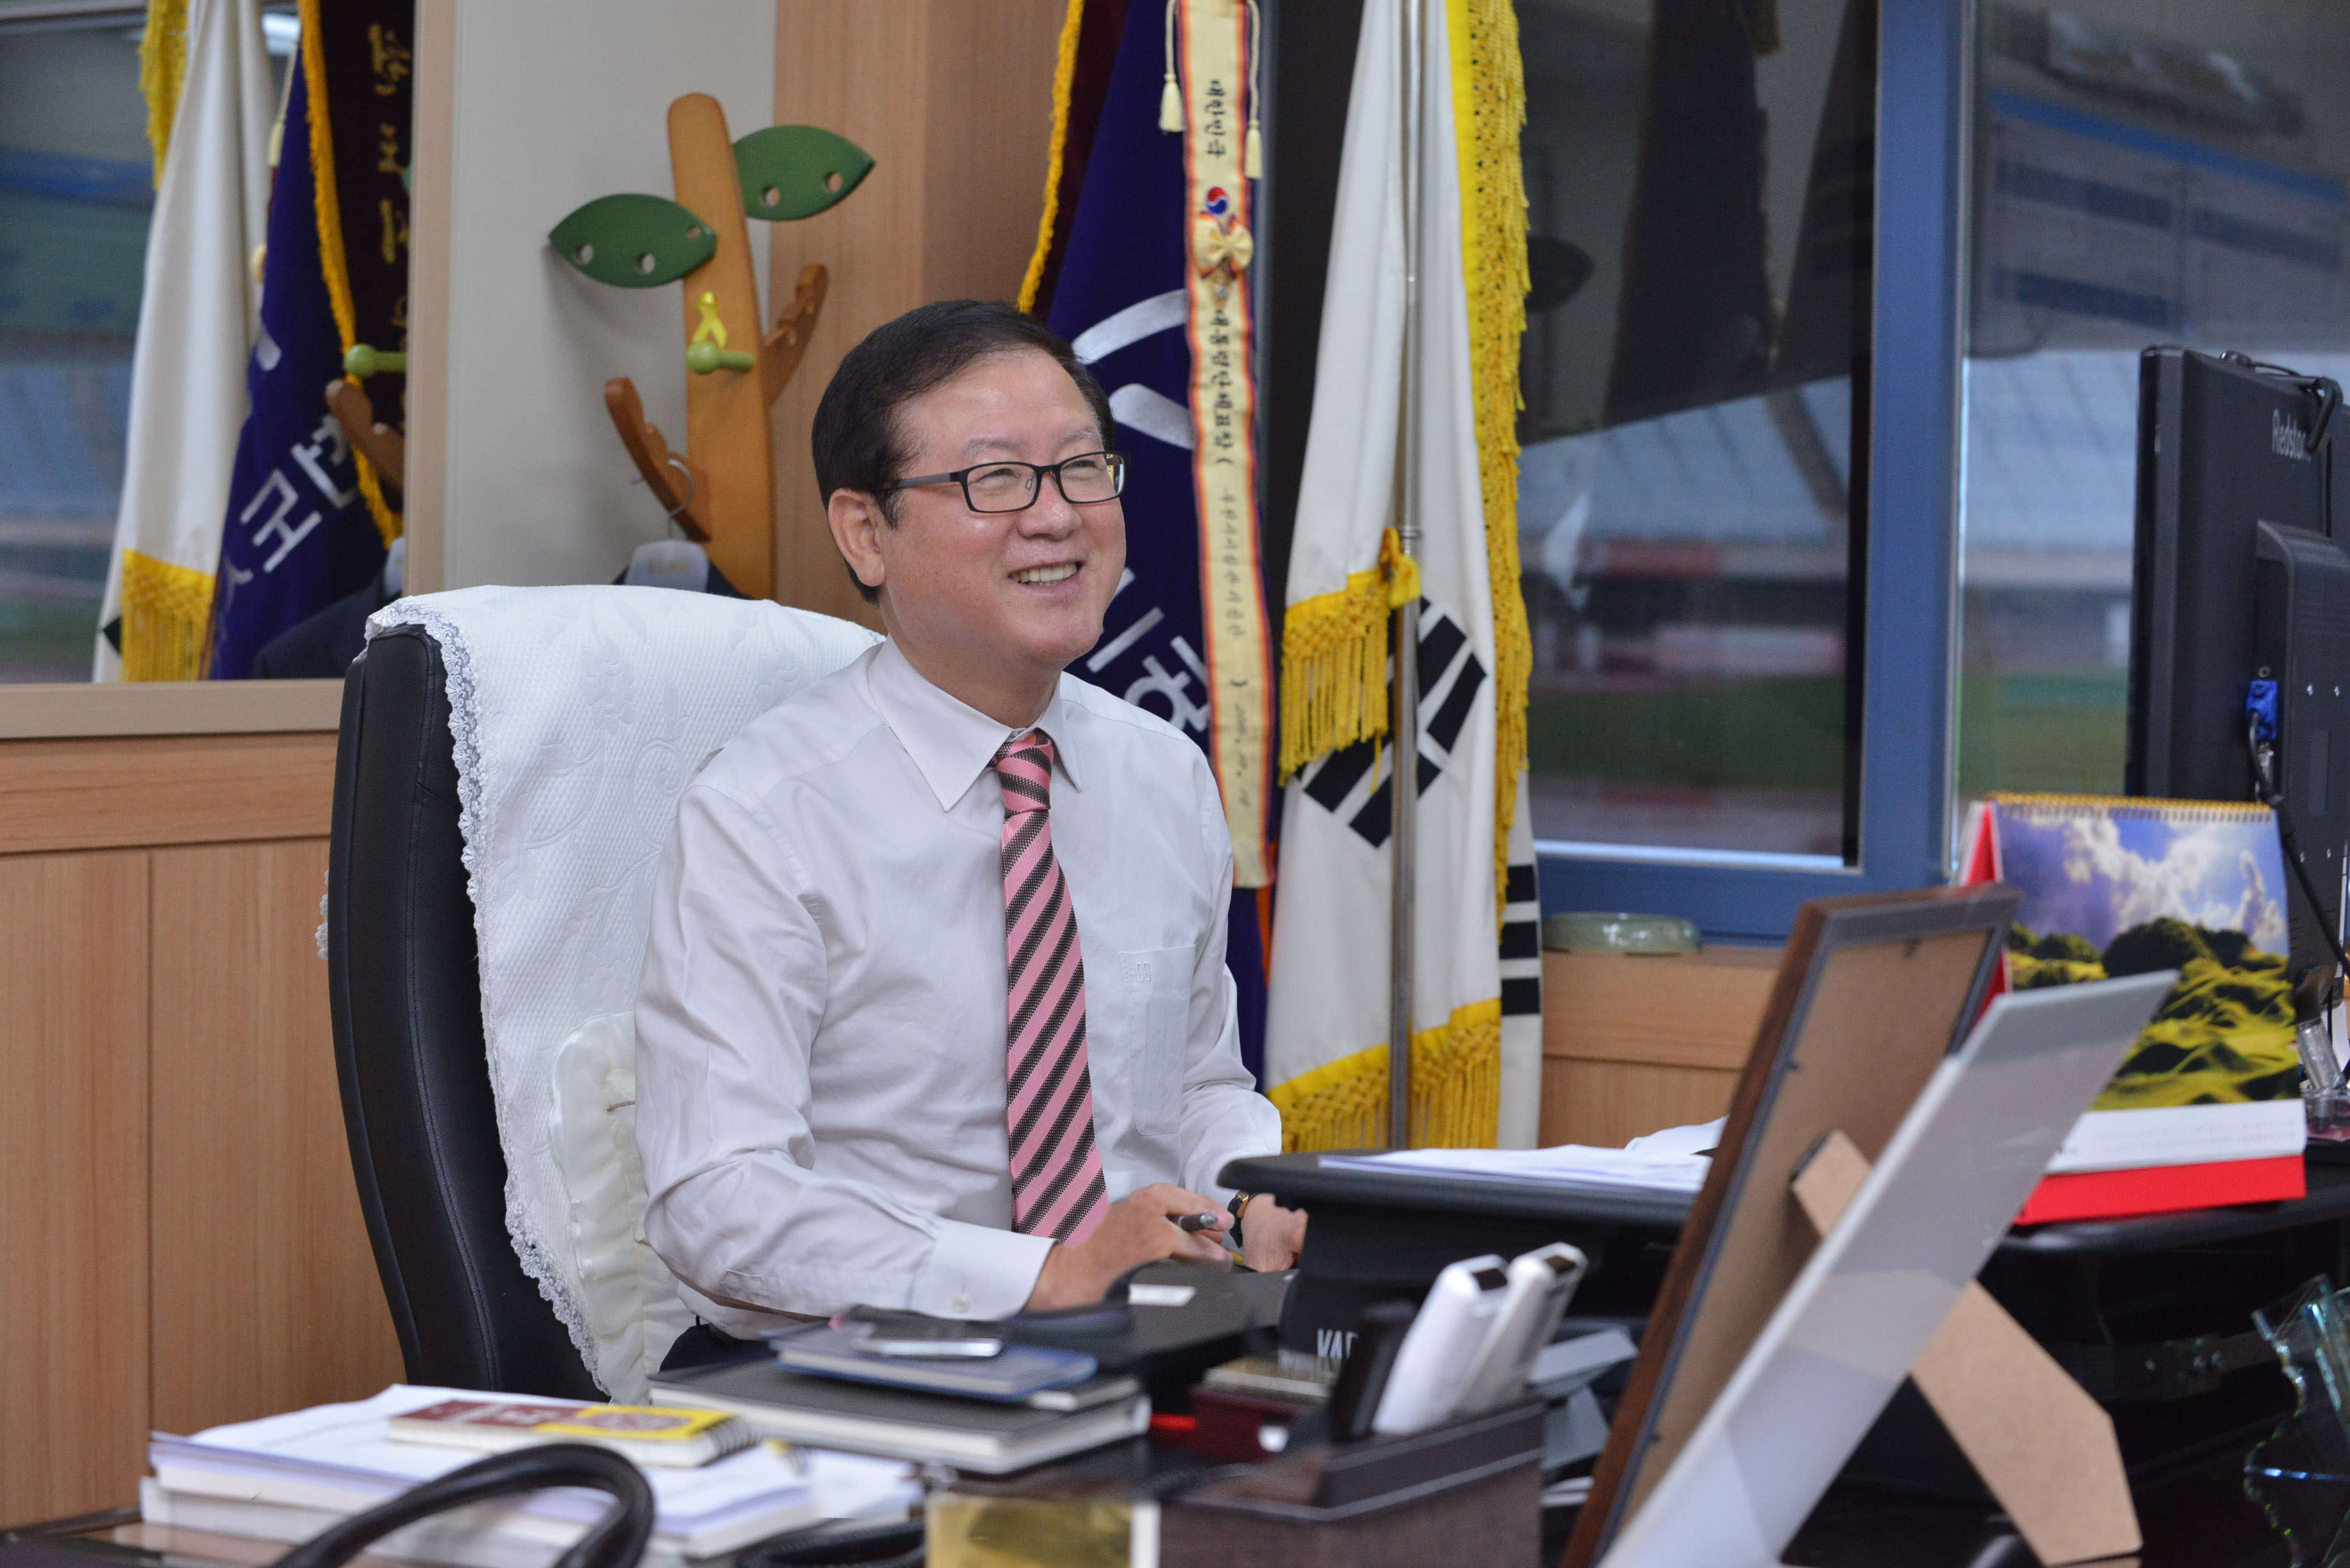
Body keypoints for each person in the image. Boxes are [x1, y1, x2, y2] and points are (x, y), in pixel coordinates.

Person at [633, 300, 1306, 1348]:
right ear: (867, 533)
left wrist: (1248, 1197)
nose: (1057, 517)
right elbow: (716, 1200)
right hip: (861, 1364)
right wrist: (1046, 1277)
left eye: (1082, 468)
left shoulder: (1164, 775)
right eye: (996, 480)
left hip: (1146, 1341)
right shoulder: (764, 812)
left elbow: (1196, 1087)